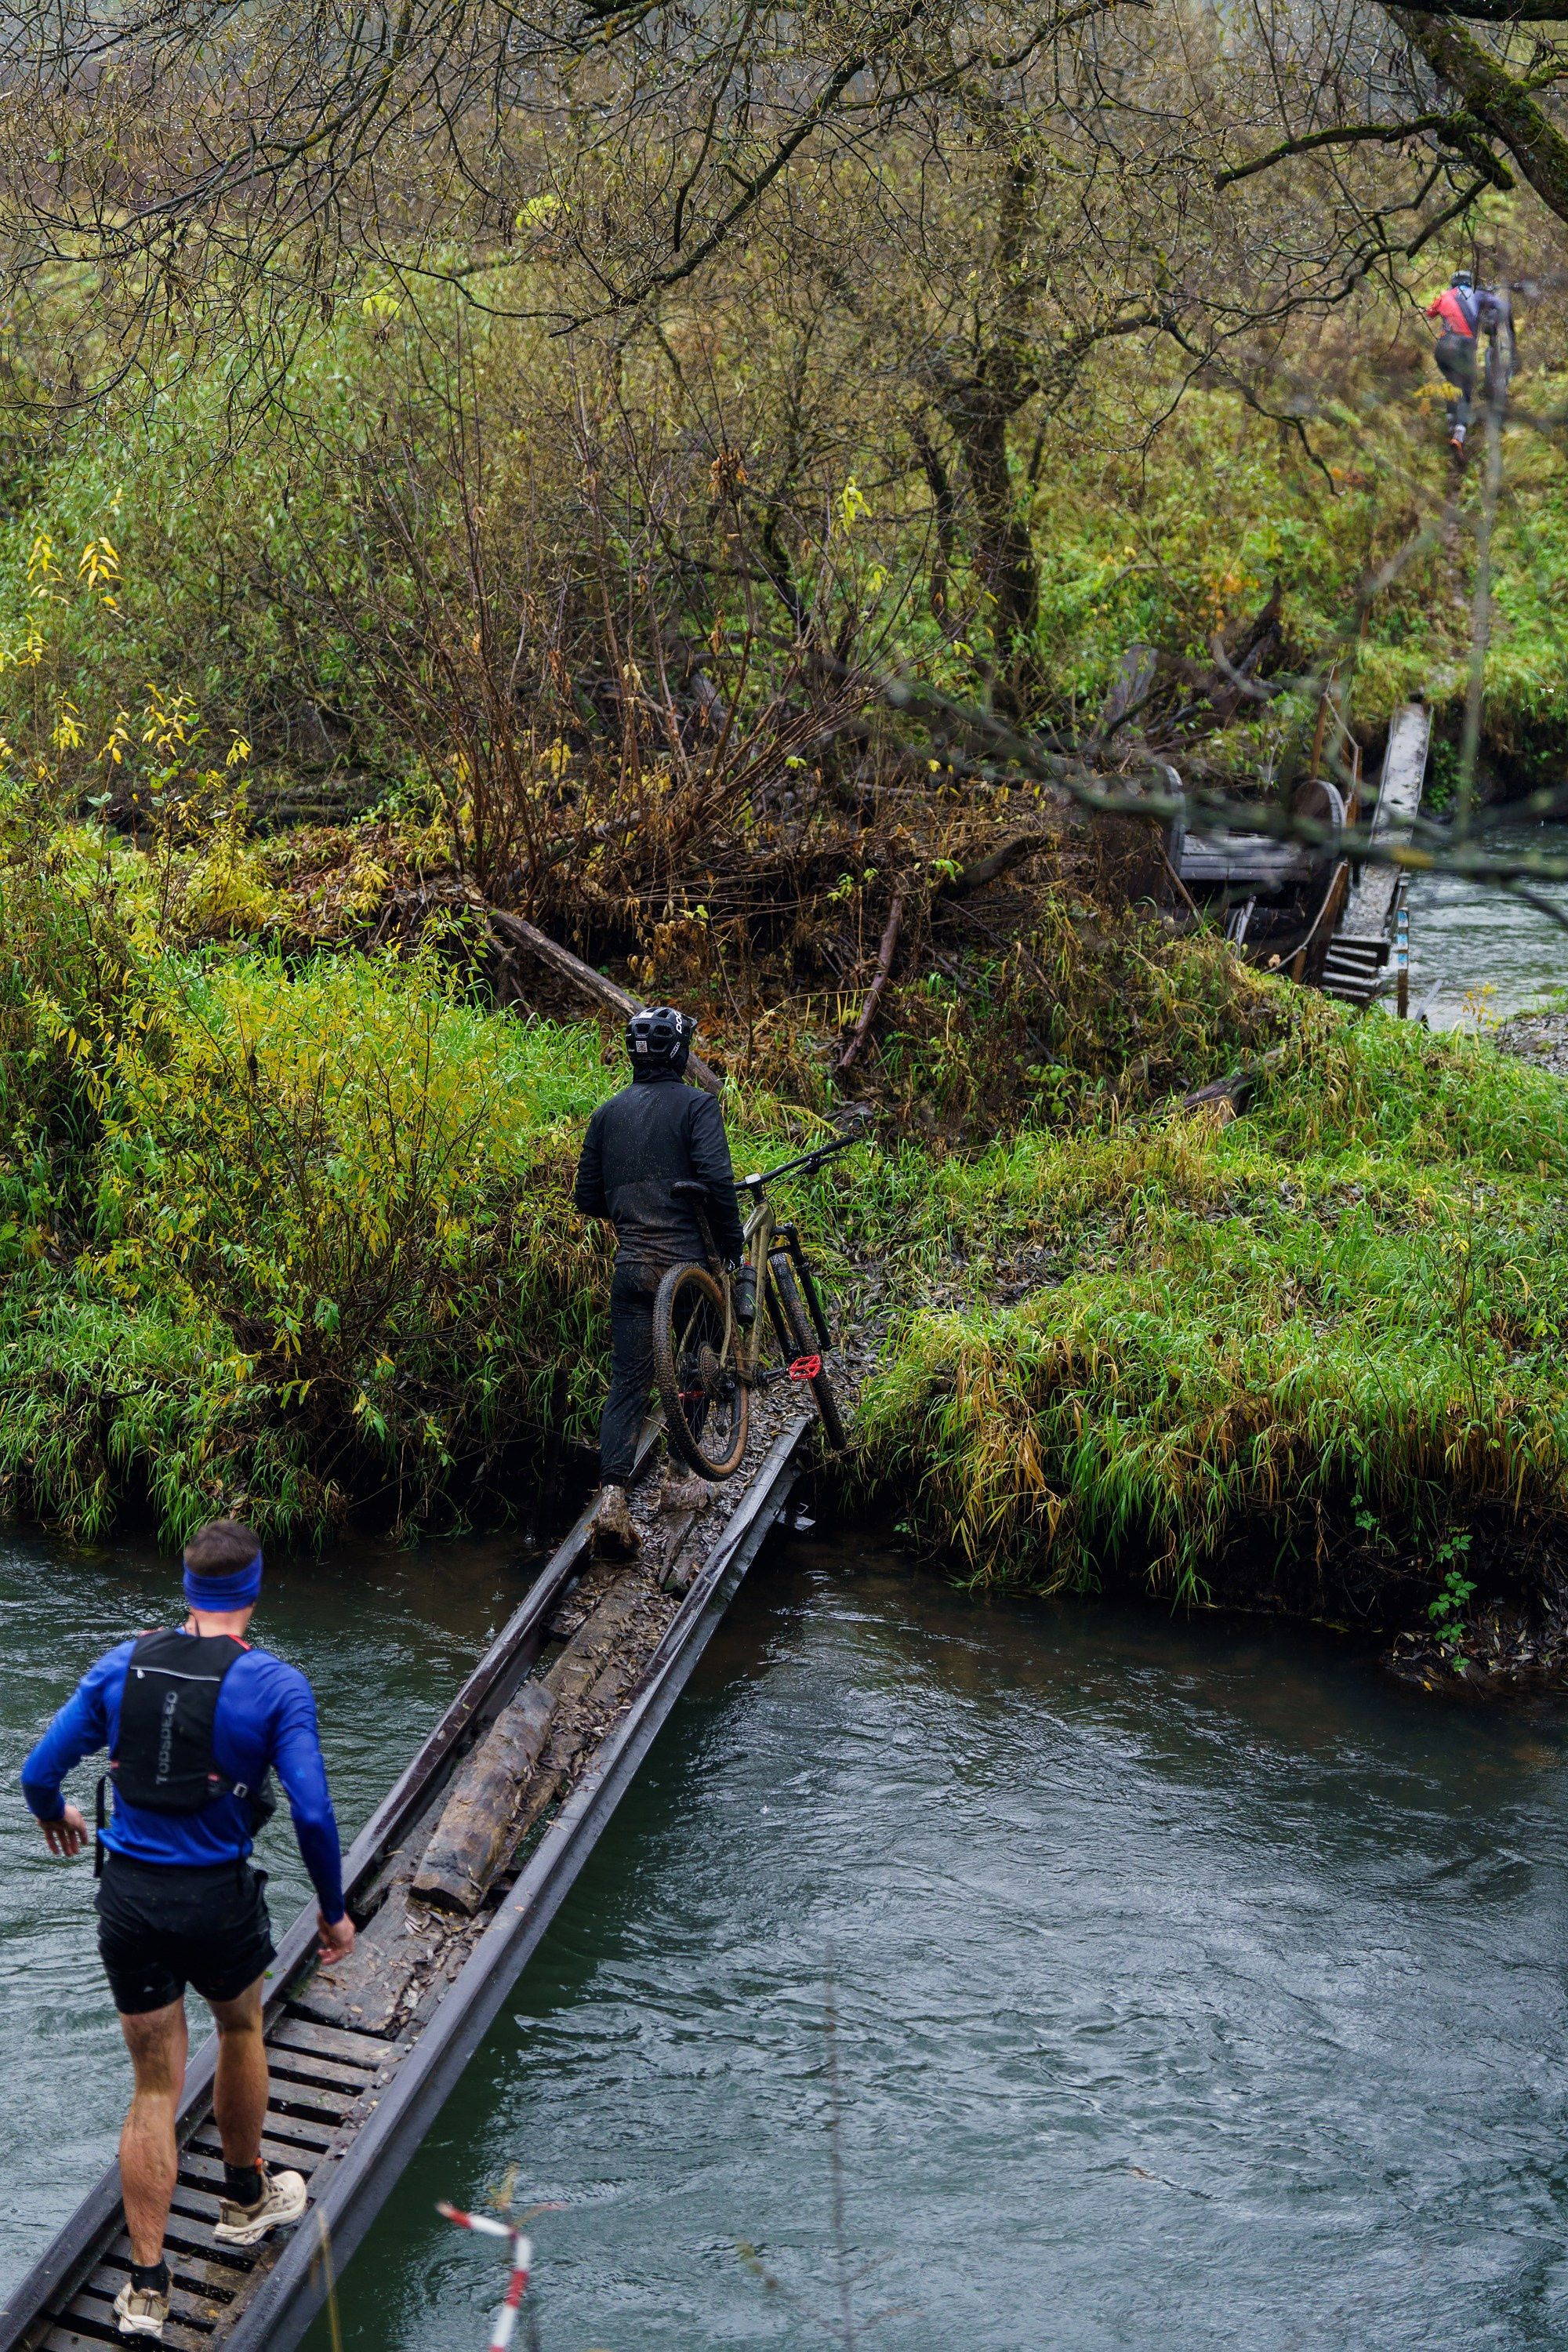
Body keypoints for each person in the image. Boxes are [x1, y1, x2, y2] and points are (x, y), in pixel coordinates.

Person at [21, 1520, 356, 2341]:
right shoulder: (275, 1686)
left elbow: (38, 1773)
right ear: (255, 1590)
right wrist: (333, 1909)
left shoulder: (120, 1666)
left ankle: (144, 2290)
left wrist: (56, 1814)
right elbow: (313, 1813)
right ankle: (244, 2200)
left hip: (129, 1903)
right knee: (239, 2027)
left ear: (187, 1586)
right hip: (216, 1903)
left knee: (153, 2087)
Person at [573, 1005, 746, 1552]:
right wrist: (732, 1249)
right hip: (687, 1270)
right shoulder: (697, 1105)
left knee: (628, 1381)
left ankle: (612, 1503)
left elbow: (587, 1197)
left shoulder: (606, 1114)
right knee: (697, 1362)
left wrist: (633, 1207)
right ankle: (678, 1478)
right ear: (679, 1051)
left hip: (632, 1268)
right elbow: (717, 1181)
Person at [1425, 267, 1503, 452]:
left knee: (1452, 382)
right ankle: (1459, 433)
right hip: (1464, 348)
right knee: (1466, 388)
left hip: (1443, 349)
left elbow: (1429, 313)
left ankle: (1450, 422)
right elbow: (1500, 305)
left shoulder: (1444, 296)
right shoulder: (1477, 294)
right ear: (1470, 282)